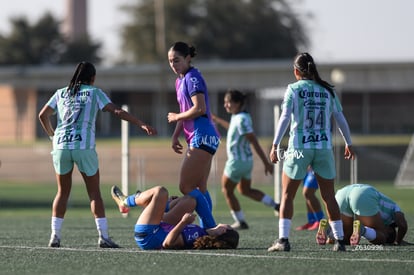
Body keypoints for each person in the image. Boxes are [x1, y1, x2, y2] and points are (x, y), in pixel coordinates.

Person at [38, 61, 157, 248]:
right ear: (92, 78)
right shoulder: (94, 93)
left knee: (62, 192)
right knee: (94, 193)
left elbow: (42, 115)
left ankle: (55, 236)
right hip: (83, 146)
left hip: (61, 146)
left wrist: (53, 135)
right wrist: (140, 124)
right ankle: (104, 237)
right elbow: (116, 111)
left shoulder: (60, 93)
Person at [267, 52, 355, 252]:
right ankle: (340, 240)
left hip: (299, 147)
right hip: (323, 147)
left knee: (288, 195)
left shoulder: (293, 89)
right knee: (328, 196)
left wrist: (275, 144)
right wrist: (348, 142)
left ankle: (283, 240)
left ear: (296, 71)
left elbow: (285, 117)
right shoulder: (327, 90)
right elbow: (340, 119)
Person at [167, 42, 220, 229]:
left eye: (177, 60)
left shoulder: (192, 77)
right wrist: (176, 136)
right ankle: (207, 228)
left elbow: (199, 109)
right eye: (170, 61)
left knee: (185, 187)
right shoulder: (179, 80)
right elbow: (186, 110)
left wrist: (175, 117)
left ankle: (211, 229)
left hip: (203, 135)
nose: (173, 65)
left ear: (188, 58)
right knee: (200, 189)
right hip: (202, 136)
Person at [212, 89, 279, 230]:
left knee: (227, 190)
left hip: (237, 162)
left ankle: (240, 221)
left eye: (228, 102)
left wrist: (266, 162)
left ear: (237, 103)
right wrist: (218, 120)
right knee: (245, 190)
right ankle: (276, 205)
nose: (225, 105)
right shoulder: (241, 117)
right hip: (246, 162)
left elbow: (253, 140)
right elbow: (233, 129)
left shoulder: (241, 119)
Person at [110, 185, 239, 250]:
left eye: (227, 226)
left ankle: (126, 201)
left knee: (161, 191)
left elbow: (168, 243)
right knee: (191, 201)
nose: (225, 224)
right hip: (159, 228)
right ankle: (155, 203)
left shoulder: (195, 235)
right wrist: (170, 206)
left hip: (148, 235)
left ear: (223, 231)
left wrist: (183, 222)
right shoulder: (202, 232)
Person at [319, 183, 409, 246]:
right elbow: (402, 224)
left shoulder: (388, 211)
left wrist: (330, 239)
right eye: (390, 233)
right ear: (390, 229)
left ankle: (328, 229)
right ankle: (362, 230)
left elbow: (402, 225)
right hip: (363, 194)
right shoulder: (395, 208)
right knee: (382, 237)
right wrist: (398, 241)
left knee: (345, 239)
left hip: (342, 193)